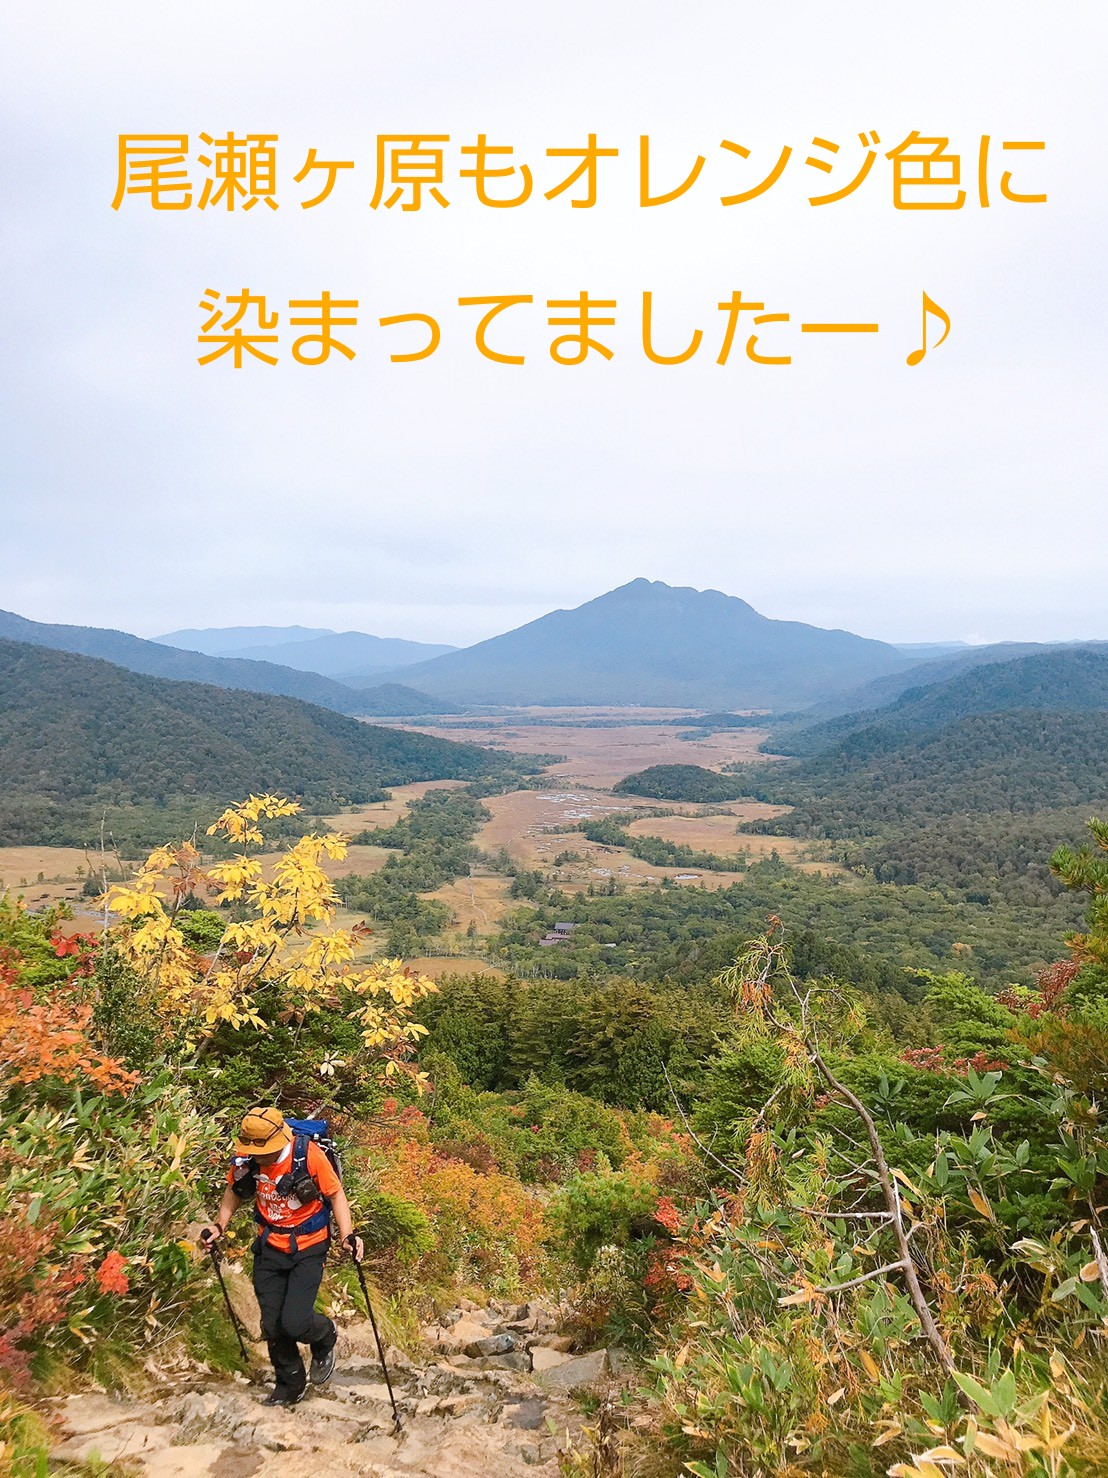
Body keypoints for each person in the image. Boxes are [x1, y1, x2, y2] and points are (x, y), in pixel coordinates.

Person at [200, 1106, 365, 1407]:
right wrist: (219, 1225)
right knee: (272, 1324)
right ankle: (289, 1383)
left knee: (295, 1322)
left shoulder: (308, 1155)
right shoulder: (246, 1161)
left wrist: (347, 1236)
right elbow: (234, 1191)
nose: (255, 1156)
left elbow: (335, 1194)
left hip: (309, 1247)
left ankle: (325, 1335)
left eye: (259, 1151)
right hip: (269, 1246)